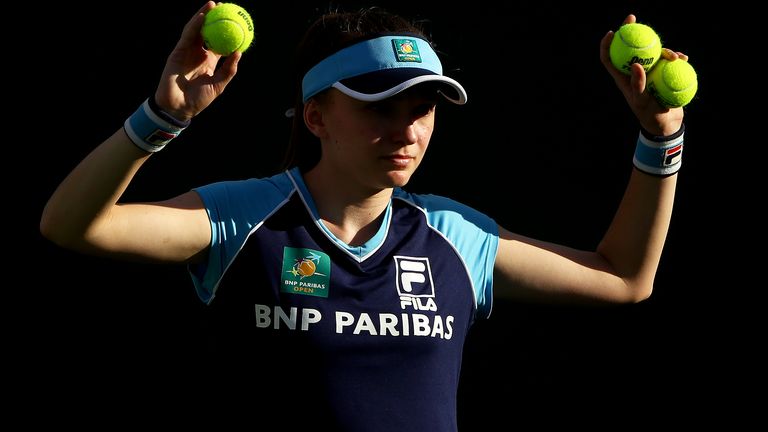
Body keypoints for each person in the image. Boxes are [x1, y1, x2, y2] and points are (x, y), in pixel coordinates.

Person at [40, 2, 689, 430]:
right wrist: (162, 119)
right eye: (380, 106)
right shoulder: (247, 216)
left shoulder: (453, 235)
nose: (406, 128)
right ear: (317, 116)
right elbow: (74, 226)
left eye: (423, 107)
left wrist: (660, 139)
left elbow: (625, 278)